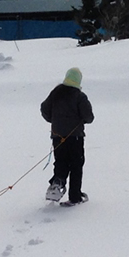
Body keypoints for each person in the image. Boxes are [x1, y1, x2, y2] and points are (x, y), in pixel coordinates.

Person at [41, 67, 94, 206]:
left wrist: (55, 120)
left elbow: (44, 109)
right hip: (75, 137)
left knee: (61, 162)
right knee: (76, 164)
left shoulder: (56, 92)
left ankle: (56, 185)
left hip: (58, 136)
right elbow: (89, 117)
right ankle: (75, 196)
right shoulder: (79, 96)